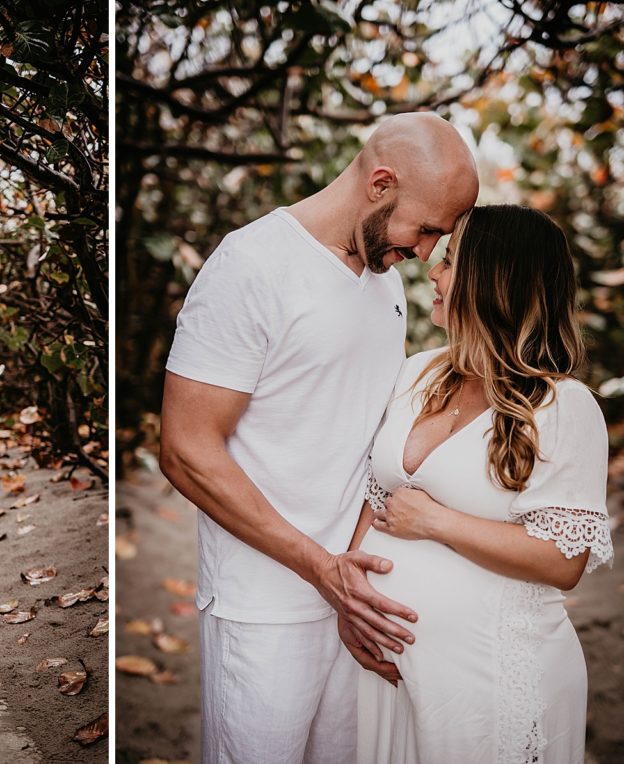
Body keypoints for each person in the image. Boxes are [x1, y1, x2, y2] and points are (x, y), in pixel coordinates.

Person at [159, 112, 479, 762]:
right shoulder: (252, 264)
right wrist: (322, 569)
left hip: (354, 598)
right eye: (425, 229)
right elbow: (186, 451)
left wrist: (350, 582)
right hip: (263, 605)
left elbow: (368, 443)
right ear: (380, 183)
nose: (425, 254)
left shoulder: (386, 287)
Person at [352, 205, 612, 763]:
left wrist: (438, 522)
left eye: (449, 262)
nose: (432, 272)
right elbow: (375, 500)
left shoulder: (562, 407)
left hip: (489, 678)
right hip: (389, 668)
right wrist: (351, 595)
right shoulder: (416, 372)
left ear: (494, 280)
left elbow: (562, 561)